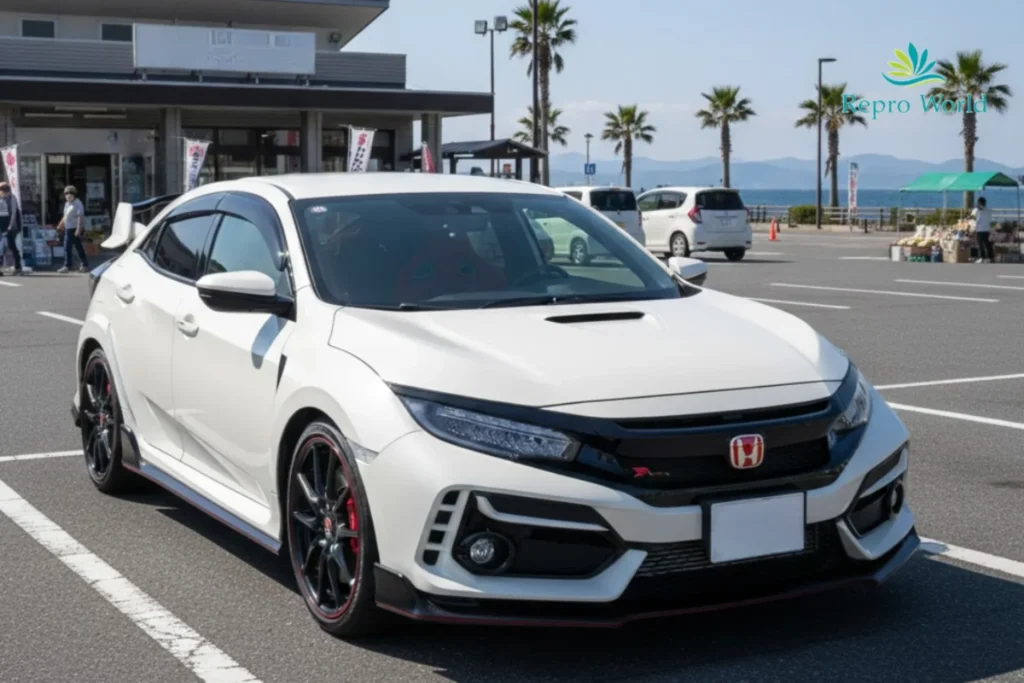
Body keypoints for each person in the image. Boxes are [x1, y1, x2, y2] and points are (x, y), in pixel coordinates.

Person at [56, 185, 89, 273]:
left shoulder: (77, 203)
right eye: (66, 193)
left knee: (67, 247)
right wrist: (60, 225)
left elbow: (80, 216)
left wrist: (78, 229)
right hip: (68, 228)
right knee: (77, 247)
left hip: (74, 228)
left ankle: (68, 265)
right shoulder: (67, 204)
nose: (68, 195)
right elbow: (65, 216)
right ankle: (84, 265)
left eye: (71, 193)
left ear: (74, 194)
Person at [0, 181, 23, 276]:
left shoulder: (12, 198)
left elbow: (13, 213)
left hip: (12, 227)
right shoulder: (1, 199)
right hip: (2, 226)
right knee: (2, 246)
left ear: (4, 190)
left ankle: (18, 267)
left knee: (11, 246)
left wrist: (10, 226)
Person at [972, 196, 993, 264]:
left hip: (983, 229)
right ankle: (986, 257)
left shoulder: (978, 210)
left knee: (984, 244)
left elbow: (974, 218)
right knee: (984, 244)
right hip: (983, 229)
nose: (978, 205)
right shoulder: (985, 210)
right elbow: (973, 217)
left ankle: (985, 257)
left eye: (979, 203)